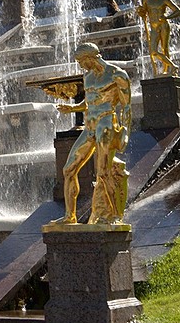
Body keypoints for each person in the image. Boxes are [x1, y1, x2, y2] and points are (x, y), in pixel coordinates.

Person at [54, 43, 131, 225]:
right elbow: (90, 102)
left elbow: (126, 107)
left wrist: (125, 132)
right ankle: (69, 216)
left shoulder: (117, 74)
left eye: (81, 61)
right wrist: (72, 108)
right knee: (68, 169)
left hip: (106, 124)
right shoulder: (87, 77)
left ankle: (114, 216)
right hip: (90, 126)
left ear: (91, 57)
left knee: (103, 173)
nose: (81, 65)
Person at [137, 0, 180, 76]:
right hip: (153, 27)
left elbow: (178, 11)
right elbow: (143, 12)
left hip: (163, 26)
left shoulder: (164, 0)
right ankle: (173, 66)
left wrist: (167, 16)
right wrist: (140, 11)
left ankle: (166, 71)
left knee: (164, 49)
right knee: (153, 51)